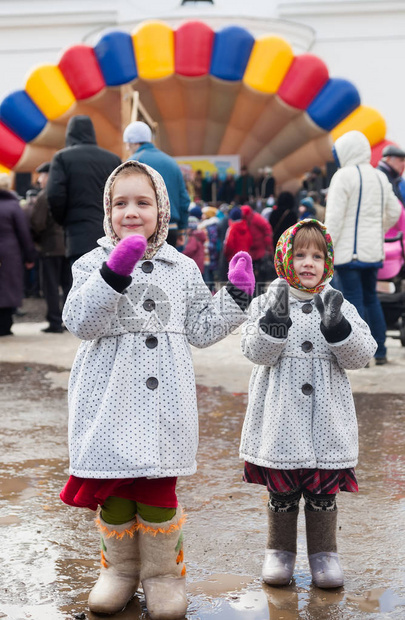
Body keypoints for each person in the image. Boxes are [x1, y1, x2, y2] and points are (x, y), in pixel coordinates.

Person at [59, 160, 255, 619]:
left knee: (158, 493)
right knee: (117, 491)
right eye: (121, 202)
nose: (132, 211)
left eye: (143, 202)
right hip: (108, 399)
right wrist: (113, 272)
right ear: (107, 211)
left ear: (162, 211)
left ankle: (163, 576)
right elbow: (80, 322)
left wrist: (235, 297)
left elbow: (202, 330)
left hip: (165, 403)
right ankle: (119, 573)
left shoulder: (181, 266)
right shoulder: (89, 263)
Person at [240, 219, 376, 589]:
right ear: (285, 258)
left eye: (317, 255)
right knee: (282, 490)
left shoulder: (337, 303)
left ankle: (324, 555)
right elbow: (254, 351)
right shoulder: (268, 301)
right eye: (300, 254)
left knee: (322, 490)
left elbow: (362, 355)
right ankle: (279, 553)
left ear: (328, 262)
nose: (308, 262)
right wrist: (275, 323)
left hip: (326, 419)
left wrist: (337, 330)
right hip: (281, 418)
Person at [325, 130, 401, 364]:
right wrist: (377, 230)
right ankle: (379, 352)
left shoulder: (343, 176)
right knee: (371, 298)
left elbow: (335, 218)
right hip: (373, 252)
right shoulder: (379, 177)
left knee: (352, 301)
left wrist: (326, 249)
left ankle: (359, 353)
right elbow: (395, 212)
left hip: (349, 253)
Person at [47, 115, 121, 265]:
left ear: (69, 134)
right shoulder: (113, 159)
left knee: (80, 284)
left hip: (77, 235)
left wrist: (63, 220)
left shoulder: (62, 158)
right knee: (112, 283)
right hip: (109, 234)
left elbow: (55, 195)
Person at [123, 121, 190, 248]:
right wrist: (182, 229)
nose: (127, 148)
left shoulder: (134, 162)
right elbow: (184, 200)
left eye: (128, 144)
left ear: (135, 142)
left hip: (144, 230)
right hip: (171, 229)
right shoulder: (172, 163)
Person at [30, 162, 72, 333]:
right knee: (68, 285)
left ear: (48, 176)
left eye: (41, 176)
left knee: (50, 286)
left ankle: (55, 322)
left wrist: (36, 241)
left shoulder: (44, 196)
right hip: (67, 246)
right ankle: (69, 321)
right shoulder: (68, 193)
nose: (39, 180)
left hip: (49, 247)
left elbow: (37, 223)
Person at [0, 173, 36, 336]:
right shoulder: (13, 206)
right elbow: (24, 233)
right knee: (7, 288)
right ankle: (5, 326)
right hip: (9, 253)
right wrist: (30, 257)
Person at [241, 204, 273, 293]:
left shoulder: (256, 218)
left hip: (260, 250)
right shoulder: (245, 220)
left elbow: (267, 228)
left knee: (261, 271)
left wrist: (268, 241)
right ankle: (255, 290)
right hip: (251, 251)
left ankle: (259, 290)